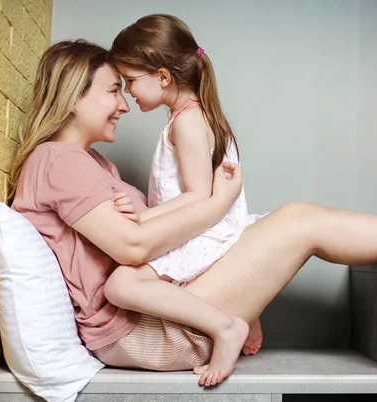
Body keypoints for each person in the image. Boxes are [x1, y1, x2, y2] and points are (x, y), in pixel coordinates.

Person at [9, 37, 377, 388]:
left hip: (154, 308)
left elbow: (148, 228)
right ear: (74, 99)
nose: (121, 103)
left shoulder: (90, 162)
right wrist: (219, 203)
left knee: (293, 218)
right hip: (138, 331)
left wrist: (146, 209)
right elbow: (134, 245)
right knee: (300, 221)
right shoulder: (57, 161)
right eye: (111, 90)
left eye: (124, 87)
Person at [108, 14, 266, 360]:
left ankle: (228, 326)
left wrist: (147, 216)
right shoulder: (190, 116)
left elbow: (199, 196)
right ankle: (247, 314)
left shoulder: (188, 122)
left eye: (131, 80)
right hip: (206, 224)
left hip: (207, 231)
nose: (128, 91)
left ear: (163, 77)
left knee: (120, 285)